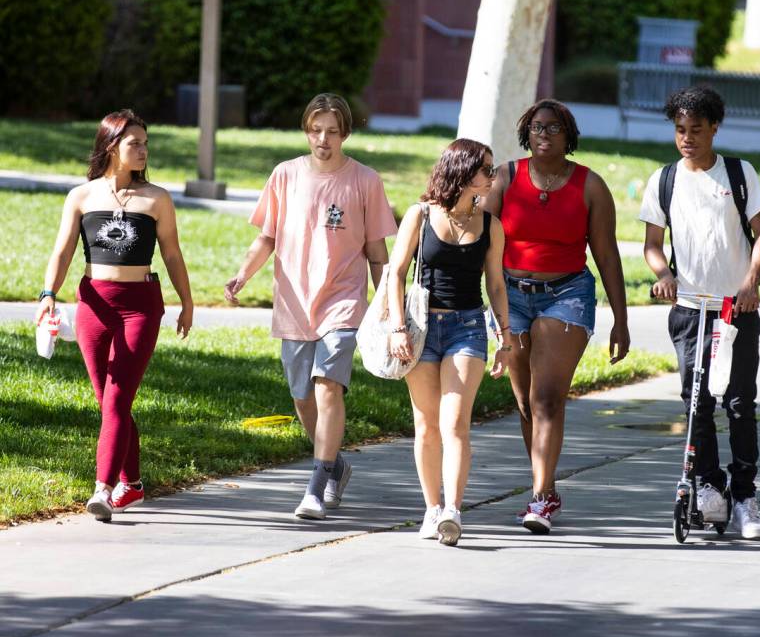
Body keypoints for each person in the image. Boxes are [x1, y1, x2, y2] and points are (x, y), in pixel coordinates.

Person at [225, 93, 397, 520]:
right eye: (316, 130)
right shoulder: (285, 175)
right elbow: (267, 236)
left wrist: (388, 302)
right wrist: (244, 274)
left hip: (342, 299)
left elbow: (377, 252)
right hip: (294, 301)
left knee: (327, 388)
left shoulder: (365, 181)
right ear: (306, 130)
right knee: (302, 397)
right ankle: (336, 464)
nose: (323, 139)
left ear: (345, 135)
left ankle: (317, 487)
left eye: (333, 132)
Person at [35, 109, 193, 522]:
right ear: (111, 146)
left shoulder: (156, 198)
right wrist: (48, 294)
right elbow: (63, 251)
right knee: (108, 401)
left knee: (118, 396)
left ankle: (103, 489)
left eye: (145, 144)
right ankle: (134, 485)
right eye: (134, 144)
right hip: (94, 303)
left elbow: (172, 254)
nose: (143, 151)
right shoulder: (82, 196)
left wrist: (187, 301)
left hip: (140, 304)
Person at [484, 99, 630, 534]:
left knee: (547, 398)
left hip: (566, 294)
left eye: (553, 127)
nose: (543, 134)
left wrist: (621, 319)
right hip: (511, 294)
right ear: (525, 133)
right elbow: (480, 241)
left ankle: (539, 498)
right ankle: (544, 491)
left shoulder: (590, 186)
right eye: (535, 127)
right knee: (526, 402)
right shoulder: (506, 178)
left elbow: (606, 253)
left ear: (569, 135)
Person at [640, 86, 760, 540]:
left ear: (714, 127)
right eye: (680, 130)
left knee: (738, 403)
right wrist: (664, 276)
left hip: (735, 309)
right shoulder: (665, 180)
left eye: (696, 130)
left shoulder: (738, 173)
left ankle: (745, 498)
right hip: (689, 309)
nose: (687, 138)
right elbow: (653, 246)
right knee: (697, 402)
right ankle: (710, 488)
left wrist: (750, 282)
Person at [387, 139, 513, 546]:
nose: (492, 178)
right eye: (486, 170)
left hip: (468, 327)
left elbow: (495, 283)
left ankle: (453, 511)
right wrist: (397, 327)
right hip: (423, 328)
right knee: (426, 426)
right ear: (462, 171)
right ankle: (431, 508)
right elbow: (396, 272)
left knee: (455, 422)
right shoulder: (420, 215)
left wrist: (504, 336)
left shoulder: (491, 225)